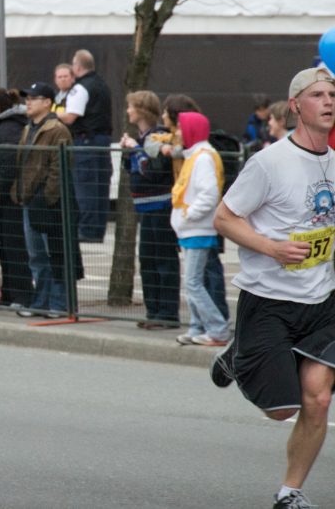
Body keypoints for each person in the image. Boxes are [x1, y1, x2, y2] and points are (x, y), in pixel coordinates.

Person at [211, 67, 335, 509]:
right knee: (283, 409)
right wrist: (271, 247)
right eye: (318, 94)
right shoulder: (268, 163)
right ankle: (237, 356)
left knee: (318, 399)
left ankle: (289, 493)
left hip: (322, 300)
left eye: (333, 94)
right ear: (296, 105)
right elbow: (224, 218)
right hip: (268, 302)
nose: (328, 101)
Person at [13, 82, 79, 317]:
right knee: (36, 255)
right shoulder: (28, 127)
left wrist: (48, 197)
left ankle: (59, 304)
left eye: (33, 98)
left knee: (56, 254)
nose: (27, 102)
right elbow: (24, 164)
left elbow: (58, 167)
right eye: (27, 98)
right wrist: (19, 193)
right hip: (30, 200)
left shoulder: (57, 129)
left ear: (47, 102)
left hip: (48, 203)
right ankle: (41, 302)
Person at [119, 91, 180, 329]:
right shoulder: (142, 137)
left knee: (164, 259)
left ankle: (168, 313)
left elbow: (153, 169)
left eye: (131, 107)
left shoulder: (159, 137)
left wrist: (136, 149)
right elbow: (134, 169)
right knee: (147, 260)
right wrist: (129, 152)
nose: (128, 111)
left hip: (162, 203)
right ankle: (153, 310)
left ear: (142, 109)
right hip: (145, 205)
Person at [169, 111, 228, 346]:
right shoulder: (199, 155)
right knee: (193, 281)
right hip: (192, 229)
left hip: (197, 228)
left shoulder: (202, 157)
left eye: (181, 128)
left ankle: (217, 329)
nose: (178, 133)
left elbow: (209, 194)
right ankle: (197, 327)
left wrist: (188, 215)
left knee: (193, 282)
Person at [0, 87, 33, 307]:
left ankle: (22, 296)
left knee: (15, 248)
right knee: (6, 248)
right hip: (4, 197)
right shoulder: (2, 126)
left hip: (10, 199)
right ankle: (10, 294)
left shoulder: (8, 128)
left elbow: (8, 165)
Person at [58, 49, 113, 242]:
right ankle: (97, 230)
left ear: (77, 67)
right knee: (100, 187)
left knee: (86, 186)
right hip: (102, 140)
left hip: (86, 141)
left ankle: (87, 231)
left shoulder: (80, 88)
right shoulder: (102, 84)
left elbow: (71, 117)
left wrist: (51, 114)